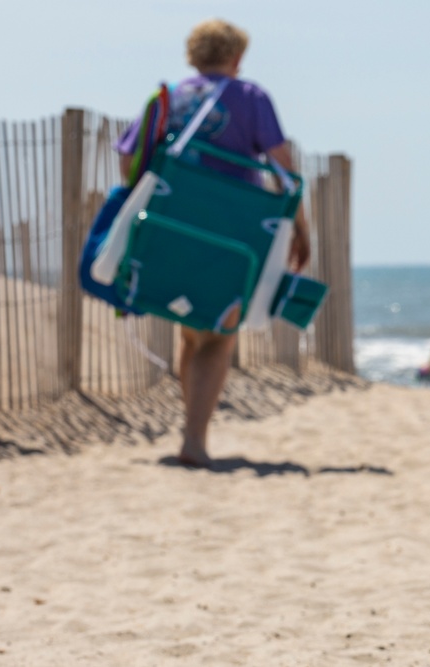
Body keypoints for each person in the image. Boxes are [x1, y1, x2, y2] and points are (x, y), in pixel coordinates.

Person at [115, 18, 310, 468]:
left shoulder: (170, 97)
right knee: (218, 335)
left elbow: (129, 155)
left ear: (193, 56)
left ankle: (191, 432)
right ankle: (195, 441)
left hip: (171, 222)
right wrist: (301, 226)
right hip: (229, 229)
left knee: (191, 332)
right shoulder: (250, 96)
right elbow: (284, 168)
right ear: (237, 57)